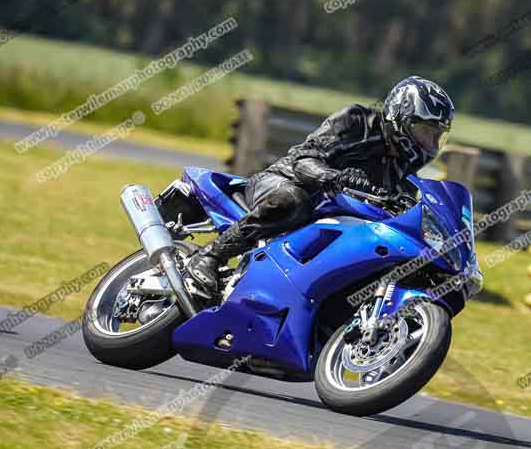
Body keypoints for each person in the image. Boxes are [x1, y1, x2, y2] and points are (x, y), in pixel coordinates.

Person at [186, 75, 455, 293]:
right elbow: (304, 158)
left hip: (329, 219)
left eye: (437, 136)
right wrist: (334, 177)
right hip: (282, 182)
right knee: (293, 201)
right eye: (425, 132)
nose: (430, 144)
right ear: (401, 117)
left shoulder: (402, 173)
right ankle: (211, 256)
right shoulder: (357, 122)